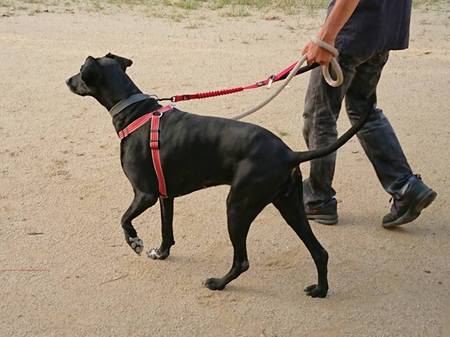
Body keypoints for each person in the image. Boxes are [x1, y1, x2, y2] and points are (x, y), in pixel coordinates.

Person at [300, 0, 437, 227]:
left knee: (319, 116)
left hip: (352, 30)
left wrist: (327, 35)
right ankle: (404, 185)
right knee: (363, 110)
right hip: (385, 29)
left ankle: (317, 198)